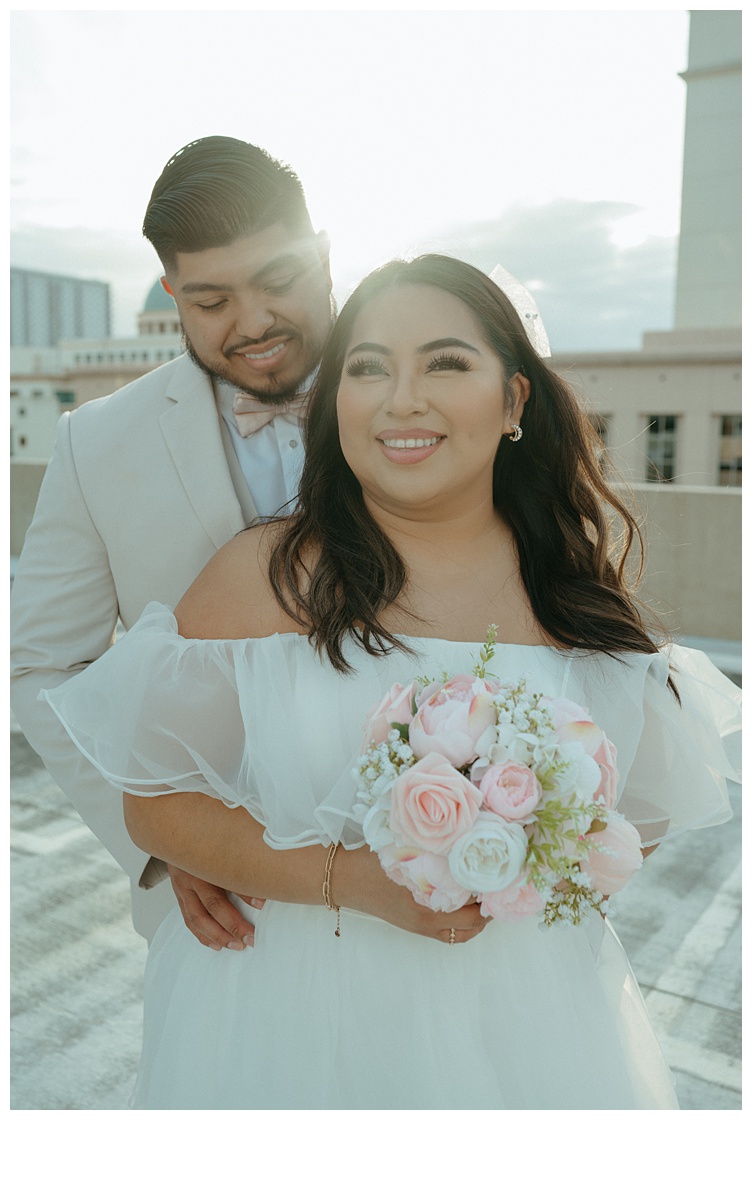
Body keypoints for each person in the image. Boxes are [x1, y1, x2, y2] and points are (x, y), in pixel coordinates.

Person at [42, 254, 740, 1109]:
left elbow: (638, 822)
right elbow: (155, 803)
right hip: (282, 1018)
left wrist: (524, 840)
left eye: (445, 363)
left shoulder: (576, 595)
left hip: (525, 1024)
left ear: (515, 399)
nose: (401, 399)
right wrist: (360, 881)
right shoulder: (267, 575)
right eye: (369, 368)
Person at [10, 135, 335, 945]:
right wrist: (162, 838)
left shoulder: (424, 400)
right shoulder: (96, 443)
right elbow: (42, 666)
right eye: (211, 299)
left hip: (420, 873)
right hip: (218, 913)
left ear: (324, 255)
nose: (253, 322)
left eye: (278, 281)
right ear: (170, 292)